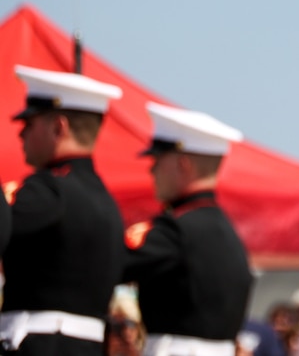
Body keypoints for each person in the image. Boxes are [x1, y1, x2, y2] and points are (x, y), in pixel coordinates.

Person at [1, 66, 125, 356]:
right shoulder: (105, 201)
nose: (21, 134)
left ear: (59, 127)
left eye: (29, 124)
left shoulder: (48, 191)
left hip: (38, 344)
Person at [122, 103, 252, 356]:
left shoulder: (175, 230)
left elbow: (108, 265)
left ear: (183, 164)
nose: (151, 169)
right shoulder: (228, 234)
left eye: (158, 160)